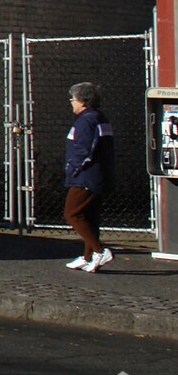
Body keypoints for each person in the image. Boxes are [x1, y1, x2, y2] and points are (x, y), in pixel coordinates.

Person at [64, 81, 116, 272]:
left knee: (72, 213)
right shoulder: (99, 118)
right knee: (90, 216)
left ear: (83, 101)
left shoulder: (86, 120)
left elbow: (84, 151)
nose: (71, 101)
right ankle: (88, 257)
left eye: (73, 98)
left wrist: (72, 169)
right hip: (98, 175)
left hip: (86, 177)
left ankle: (100, 251)